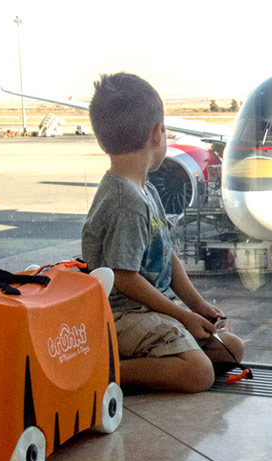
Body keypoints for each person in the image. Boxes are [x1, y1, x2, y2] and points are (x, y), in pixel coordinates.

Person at [81, 72, 244, 393]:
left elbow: (167, 255)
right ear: (157, 134)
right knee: (199, 373)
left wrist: (197, 306)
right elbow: (123, 276)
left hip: (150, 312)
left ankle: (142, 362)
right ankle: (98, 374)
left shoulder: (145, 190)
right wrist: (181, 317)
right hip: (121, 315)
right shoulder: (123, 201)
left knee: (231, 349)